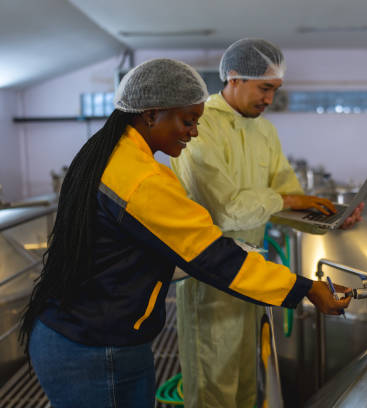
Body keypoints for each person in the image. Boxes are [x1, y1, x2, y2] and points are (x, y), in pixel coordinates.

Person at [19, 58, 350, 408]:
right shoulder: (143, 179)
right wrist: (307, 288)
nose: (193, 132)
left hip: (81, 333)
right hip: (96, 348)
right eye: (188, 120)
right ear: (151, 114)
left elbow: (128, 246)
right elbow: (214, 259)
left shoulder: (109, 152)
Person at [170, 39, 363, 408]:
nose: (270, 100)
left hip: (252, 277)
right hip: (209, 278)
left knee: (247, 382)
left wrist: (332, 218)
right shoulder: (200, 126)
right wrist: (289, 200)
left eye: (275, 90)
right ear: (234, 78)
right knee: (214, 387)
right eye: (265, 88)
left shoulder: (265, 132)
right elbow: (225, 209)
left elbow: (286, 197)